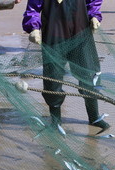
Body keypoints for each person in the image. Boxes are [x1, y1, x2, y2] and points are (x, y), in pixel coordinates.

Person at [22, 0, 109, 132]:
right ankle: (56, 121)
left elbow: (93, 1)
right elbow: (33, 9)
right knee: (53, 79)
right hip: (53, 36)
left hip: (81, 34)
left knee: (89, 76)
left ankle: (94, 117)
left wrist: (94, 16)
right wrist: (33, 27)